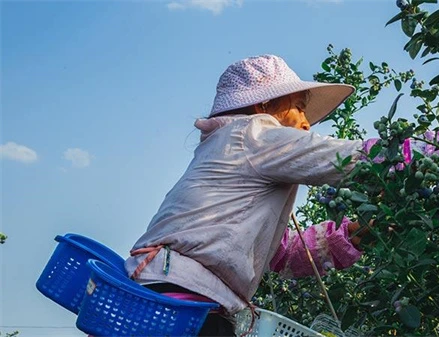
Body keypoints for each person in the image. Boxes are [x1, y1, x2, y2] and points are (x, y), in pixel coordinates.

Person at [125, 54, 373, 336]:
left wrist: (353, 235)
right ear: (264, 105)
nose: (306, 124)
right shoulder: (252, 133)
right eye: (300, 109)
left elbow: (283, 256)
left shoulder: (234, 154)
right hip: (183, 298)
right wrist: (427, 149)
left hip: (168, 293)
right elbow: (349, 159)